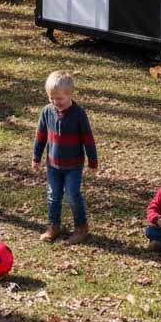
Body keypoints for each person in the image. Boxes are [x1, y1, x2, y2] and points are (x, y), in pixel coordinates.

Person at [32, 71, 97, 244]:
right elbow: (41, 136)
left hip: (73, 165)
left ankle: (81, 227)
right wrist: (36, 157)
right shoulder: (47, 112)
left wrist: (93, 161)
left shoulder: (78, 114)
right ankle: (53, 226)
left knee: (72, 194)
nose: (55, 102)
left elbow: (88, 139)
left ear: (70, 95)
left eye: (59, 98)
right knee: (53, 194)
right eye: (51, 98)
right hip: (53, 165)